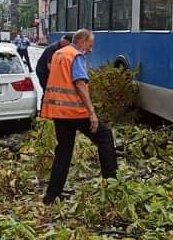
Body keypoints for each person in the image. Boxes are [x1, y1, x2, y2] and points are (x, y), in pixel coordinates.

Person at [40, 29, 117, 205]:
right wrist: (92, 112)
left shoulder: (59, 53)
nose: (90, 49)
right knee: (105, 136)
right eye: (90, 45)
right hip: (74, 111)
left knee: (64, 152)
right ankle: (112, 184)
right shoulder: (76, 56)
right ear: (82, 41)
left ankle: (51, 196)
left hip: (59, 111)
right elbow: (80, 84)